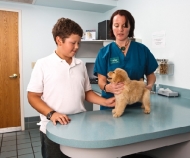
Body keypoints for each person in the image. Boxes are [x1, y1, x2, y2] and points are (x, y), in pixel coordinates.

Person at [27, 17, 115, 158]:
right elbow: (32, 96)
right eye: (73, 43)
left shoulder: (80, 64)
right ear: (59, 40)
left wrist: (105, 102)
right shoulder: (43, 64)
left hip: (80, 126)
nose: (77, 47)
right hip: (52, 127)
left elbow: (87, 92)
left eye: (78, 43)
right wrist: (52, 114)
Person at [94, 9, 158, 110]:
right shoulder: (104, 52)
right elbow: (101, 81)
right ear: (112, 27)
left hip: (135, 107)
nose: (120, 29)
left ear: (130, 27)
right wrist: (107, 87)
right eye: (116, 25)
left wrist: (149, 86)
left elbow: (151, 75)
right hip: (112, 106)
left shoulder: (142, 50)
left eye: (124, 26)